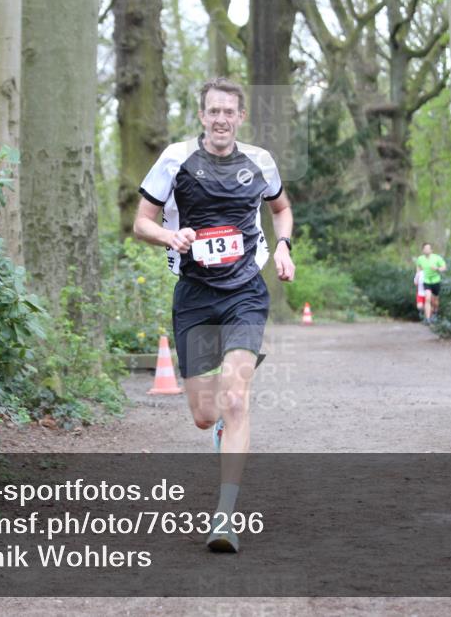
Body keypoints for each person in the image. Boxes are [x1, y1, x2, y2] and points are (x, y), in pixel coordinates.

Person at [132, 77, 295, 553]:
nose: (221, 119)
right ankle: (219, 424)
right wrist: (171, 237)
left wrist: (283, 246)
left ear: (240, 117)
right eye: (213, 111)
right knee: (206, 416)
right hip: (195, 296)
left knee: (237, 398)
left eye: (229, 111)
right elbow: (142, 221)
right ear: (201, 116)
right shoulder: (175, 159)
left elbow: (281, 209)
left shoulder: (260, 160)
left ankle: (225, 516)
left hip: (245, 290)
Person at [415, 242, 446, 324]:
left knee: (435, 301)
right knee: (427, 298)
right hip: (426, 281)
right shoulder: (420, 259)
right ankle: (428, 319)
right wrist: (417, 277)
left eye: (428, 248)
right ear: (423, 250)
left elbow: (444, 268)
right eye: (425, 249)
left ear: (431, 250)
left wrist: (437, 268)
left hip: (436, 281)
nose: (427, 250)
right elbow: (418, 268)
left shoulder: (437, 258)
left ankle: (435, 312)